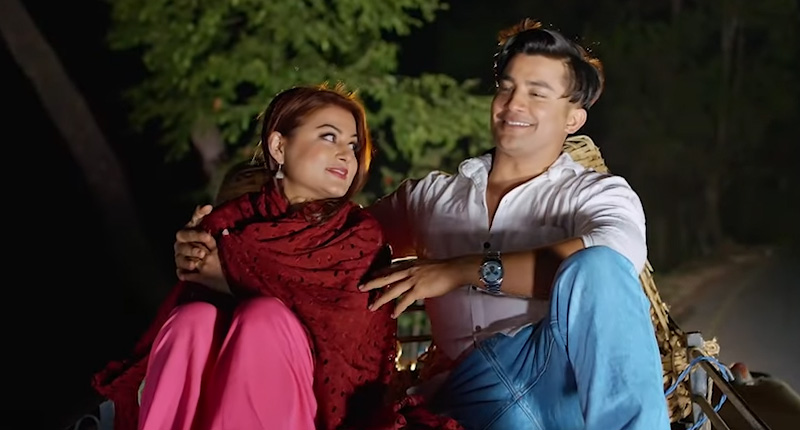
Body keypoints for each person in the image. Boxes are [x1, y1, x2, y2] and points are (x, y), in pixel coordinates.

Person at [175, 19, 670, 430]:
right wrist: (228, 242)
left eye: (537, 94)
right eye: (507, 87)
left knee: (597, 267)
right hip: (465, 396)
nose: (514, 105)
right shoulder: (432, 197)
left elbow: (612, 268)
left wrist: (459, 270)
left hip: (557, 376)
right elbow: (327, 246)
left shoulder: (597, 194)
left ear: (573, 119)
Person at [92, 84, 397, 430]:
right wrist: (196, 257)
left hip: (309, 398)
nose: (346, 154)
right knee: (192, 319)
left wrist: (230, 280)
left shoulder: (357, 233)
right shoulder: (233, 221)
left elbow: (342, 332)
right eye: (329, 137)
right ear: (279, 146)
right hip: (220, 392)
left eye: (353, 145)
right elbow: (196, 287)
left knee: (263, 318)